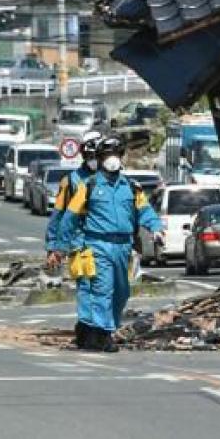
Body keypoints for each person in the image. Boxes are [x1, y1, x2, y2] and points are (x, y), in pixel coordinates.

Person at [59, 135, 163, 352]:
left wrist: (156, 228)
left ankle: (105, 327)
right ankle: (103, 334)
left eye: (115, 154)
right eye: (107, 155)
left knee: (122, 291)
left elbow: (145, 212)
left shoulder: (131, 187)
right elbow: (69, 217)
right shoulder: (88, 186)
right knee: (102, 289)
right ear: (100, 158)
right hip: (98, 245)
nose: (112, 159)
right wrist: (60, 246)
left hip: (124, 246)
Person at [45, 129, 102, 348]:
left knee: (109, 288)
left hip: (107, 245)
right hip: (80, 244)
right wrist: (54, 247)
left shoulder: (114, 180)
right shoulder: (70, 182)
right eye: (91, 157)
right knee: (86, 287)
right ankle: (87, 329)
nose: (94, 161)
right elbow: (59, 216)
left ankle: (103, 327)